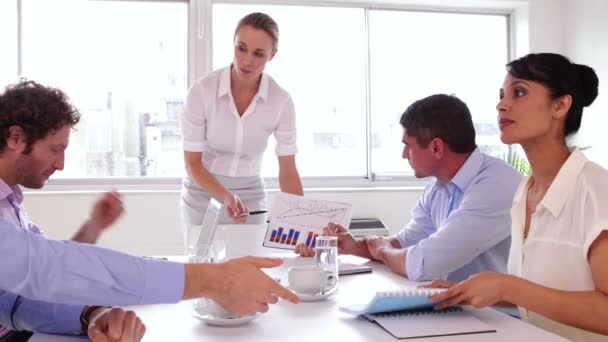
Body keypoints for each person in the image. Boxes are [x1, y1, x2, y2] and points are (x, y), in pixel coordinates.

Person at [0, 81, 298, 340]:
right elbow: (46, 271)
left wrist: (90, 313)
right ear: (16, 138)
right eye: (55, 149)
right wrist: (213, 280)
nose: (61, 164)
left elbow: (39, 275)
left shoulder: (10, 198)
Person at [429, 53, 608, 341]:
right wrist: (470, 291)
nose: (501, 105)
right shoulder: (524, 192)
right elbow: (539, 295)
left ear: (560, 105)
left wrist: (508, 286)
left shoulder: (597, 190)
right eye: (501, 95)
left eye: (519, 92)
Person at [297, 94, 522, 282]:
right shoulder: (438, 188)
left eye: (408, 146)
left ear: (436, 147)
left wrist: (382, 250)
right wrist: (355, 246)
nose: (404, 155)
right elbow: (407, 241)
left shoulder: (495, 185)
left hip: (501, 319)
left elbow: (424, 263)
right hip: (460, 308)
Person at [181, 12, 303, 226]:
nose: (247, 60)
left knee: (252, 259)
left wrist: (302, 223)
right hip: (202, 195)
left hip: (251, 199)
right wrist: (226, 195)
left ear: (271, 55)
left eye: (258, 54)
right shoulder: (201, 91)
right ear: (234, 45)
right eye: (241, 48)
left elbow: (288, 168)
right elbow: (192, 163)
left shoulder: (281, 101)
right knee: (204, 259)